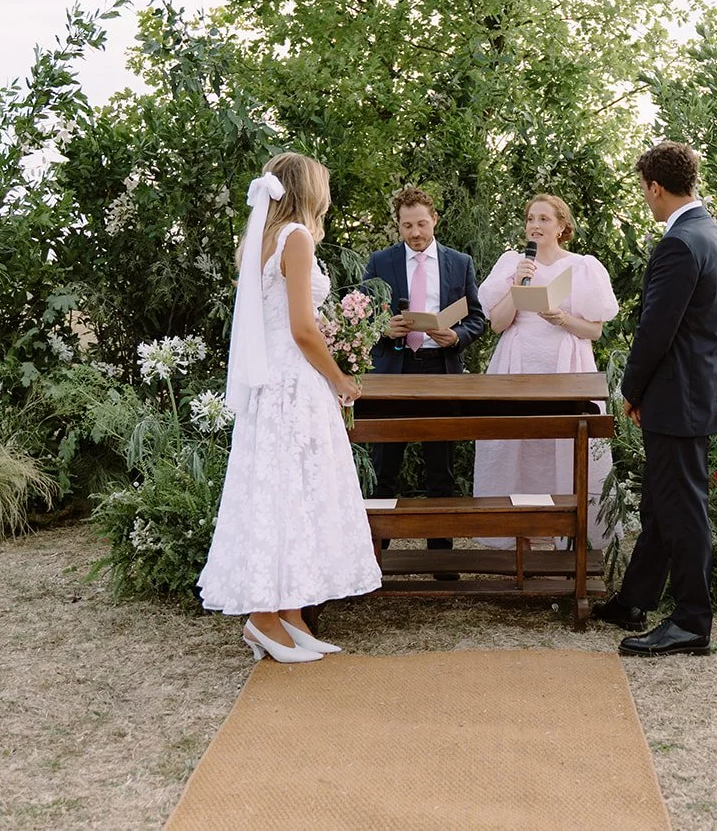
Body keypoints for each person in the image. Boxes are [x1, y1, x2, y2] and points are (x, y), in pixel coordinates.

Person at [197, 152, 382, 663]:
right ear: (308, 190)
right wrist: (341, 377)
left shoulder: (262, 240)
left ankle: (291, 615)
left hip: (271, 386)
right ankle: (261, 620)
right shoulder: (295, 238)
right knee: (289, 493)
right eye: (323, 184)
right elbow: (303, 328)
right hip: (294, 387)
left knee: (287, 493)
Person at [591, 141, 717, 657]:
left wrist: (631, 389)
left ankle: (693, 622)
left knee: (683, 508)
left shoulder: (679, 242)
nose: (647, 200)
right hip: (693, 392)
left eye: (645, 191)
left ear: (655, 187)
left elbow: (657, 328)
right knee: (661, 499)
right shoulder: (712, 234)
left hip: (677, 397)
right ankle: (636, 598)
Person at [473, 194, 618, 549]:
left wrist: (563, 318)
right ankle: (519, 531)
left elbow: (595, 331)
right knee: (518, 446)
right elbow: (496, 323)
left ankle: (568, 533)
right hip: (517, 363)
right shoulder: (513, 262)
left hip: (565, 365)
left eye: (543, 219)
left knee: (563, 444)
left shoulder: (583, 267)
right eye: (530, 219)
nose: (535, 226)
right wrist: (515, 286)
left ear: (562, 226)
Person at [362, 186, 488, 532]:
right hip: (392, 372)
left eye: (421, 224)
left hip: (440, 371)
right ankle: (376, 557)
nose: (415, 233)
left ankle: (443, 557)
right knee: (383, 468)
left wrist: (457, 336)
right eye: (407, 226)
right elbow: (358, 317)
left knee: (440, 468)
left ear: (434, 219)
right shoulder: (380, 262)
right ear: (398, 226)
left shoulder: (460, 263)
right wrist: (383, 329)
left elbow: (477, 318)